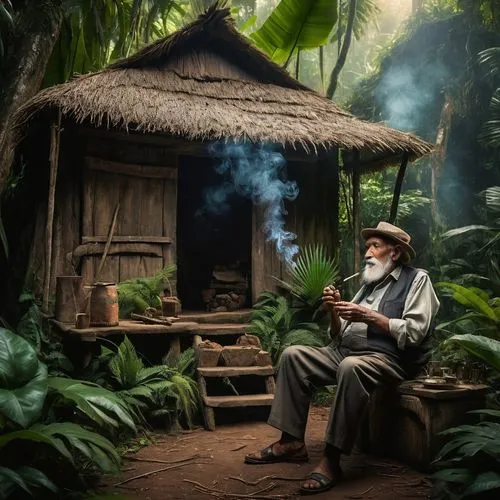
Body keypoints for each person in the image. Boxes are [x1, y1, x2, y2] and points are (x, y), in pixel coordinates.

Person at [244, 222, 440, 495]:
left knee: (351, 367)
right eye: (367, 246)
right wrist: (334, 310)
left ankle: (332, 459)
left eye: (375, 246)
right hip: (344, 351)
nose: (368, 253)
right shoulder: (368, 285)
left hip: (387, 358)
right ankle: (291, 442)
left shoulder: (417, 280)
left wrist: (368, 316)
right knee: (293, 355)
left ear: (394, 253)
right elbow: (337, 336)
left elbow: (415, 332)